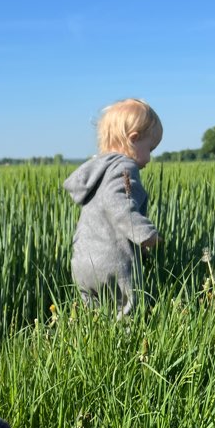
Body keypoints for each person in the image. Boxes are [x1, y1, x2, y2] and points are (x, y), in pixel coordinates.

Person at [63, 98, 163, 316]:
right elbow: (119, 204)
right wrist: (146, 235)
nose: (150, 157)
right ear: (134, 140)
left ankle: (95, 346)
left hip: (83, 261)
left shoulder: (98, 169)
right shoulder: (124, 167)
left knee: (95, 317)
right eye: (150, 148)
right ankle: (127, 347)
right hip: (112, 262)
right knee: (124, 313)